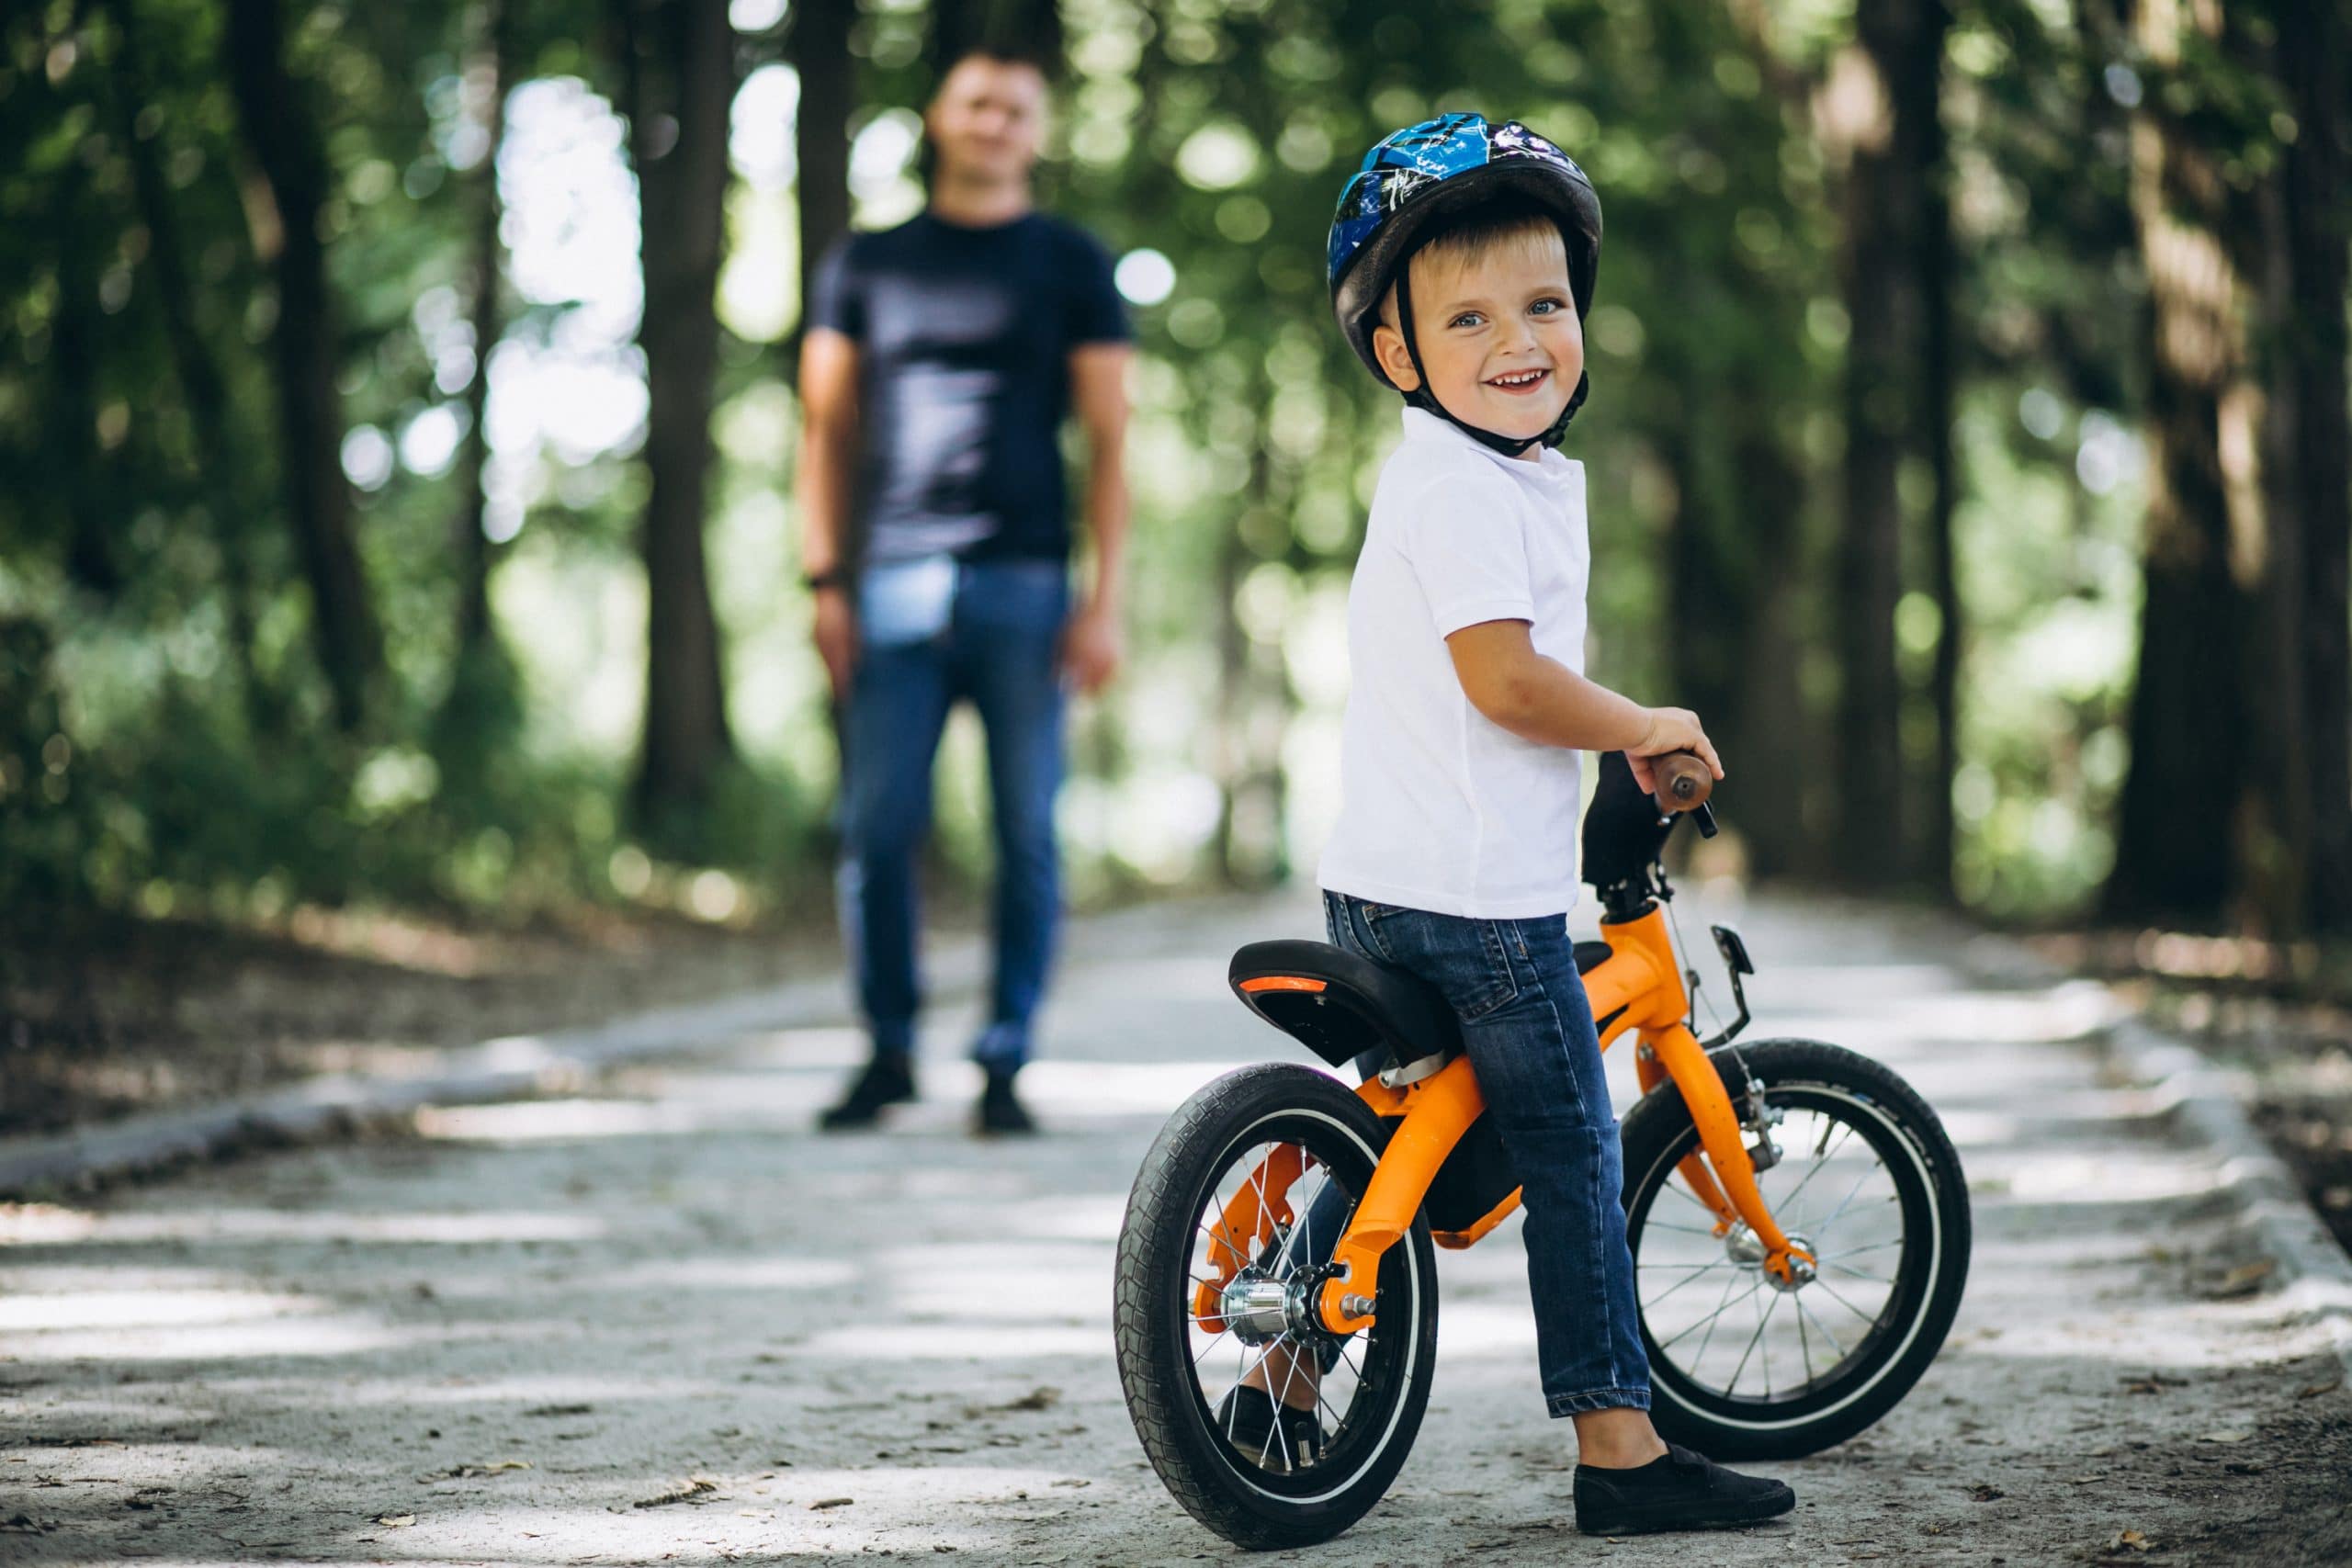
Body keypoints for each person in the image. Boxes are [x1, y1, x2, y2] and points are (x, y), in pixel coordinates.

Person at [1221, 113, 1797, 1537]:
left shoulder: (1493, 473)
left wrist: (1604, 770)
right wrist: (1645, 722)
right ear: (1401, 356)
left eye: (1544, 303)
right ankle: (1620, 1446)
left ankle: (1285, 1384)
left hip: (1394, 875)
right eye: (1465, 317)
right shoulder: (1465, 485)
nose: (1516, 338)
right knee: (1575, 1149)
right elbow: (1507, 683)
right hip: (1474, 908)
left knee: (1411, 1138)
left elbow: (1479, 713)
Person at [795, 46, 1132, 1135]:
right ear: (940, 117)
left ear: (1037, 132)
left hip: (1027, 584)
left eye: (1015, 107)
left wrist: (1104, 598)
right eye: (977, 102)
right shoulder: (867, 263)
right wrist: (824, 580)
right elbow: (826, 433)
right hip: (891, 581)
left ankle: (1003, 1057)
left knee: (1027, 833)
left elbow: (1111, 440)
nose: (994, 121)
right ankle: (889, 1048)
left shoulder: (1073, 262)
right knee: (877, 826)